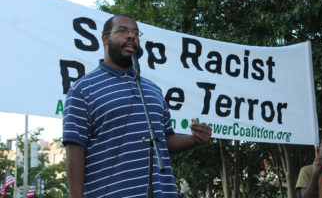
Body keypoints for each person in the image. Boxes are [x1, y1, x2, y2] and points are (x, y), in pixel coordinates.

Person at [62, 14, 212, 198]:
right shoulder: (83, 89)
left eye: (135, 32)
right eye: (123, 31)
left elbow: (164, 140)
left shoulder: (153, 89)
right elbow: (75, 148)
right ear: (105, 38)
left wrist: (194, 139)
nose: (131, 36)